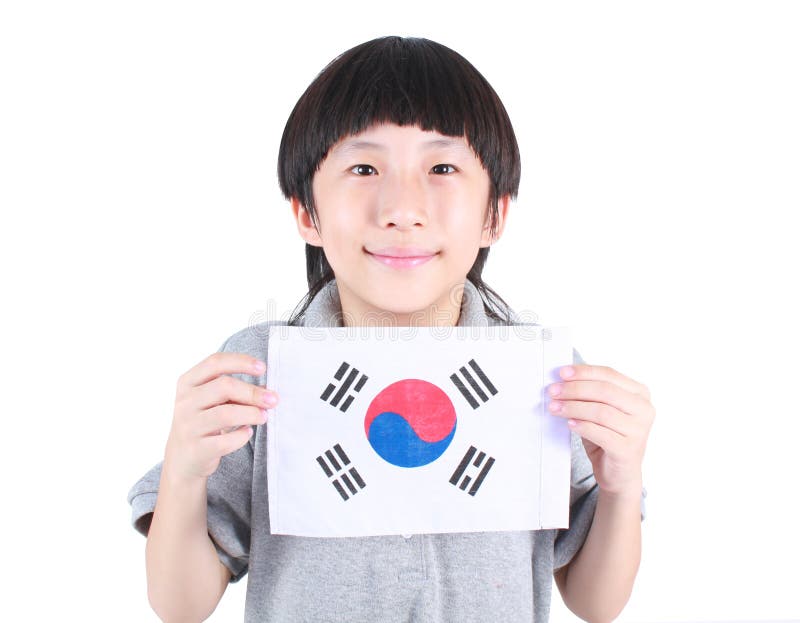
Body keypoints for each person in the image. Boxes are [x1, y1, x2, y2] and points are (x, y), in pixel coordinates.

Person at [127, 35, 654, 623]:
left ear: (495, 214)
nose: (402, 208)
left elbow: (595, 602)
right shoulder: (259, 370)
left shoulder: (538, 374)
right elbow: (180, 606)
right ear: (308, 212)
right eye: (363, 167)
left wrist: (620, 485)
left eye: (443, 166)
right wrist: (183, 471)